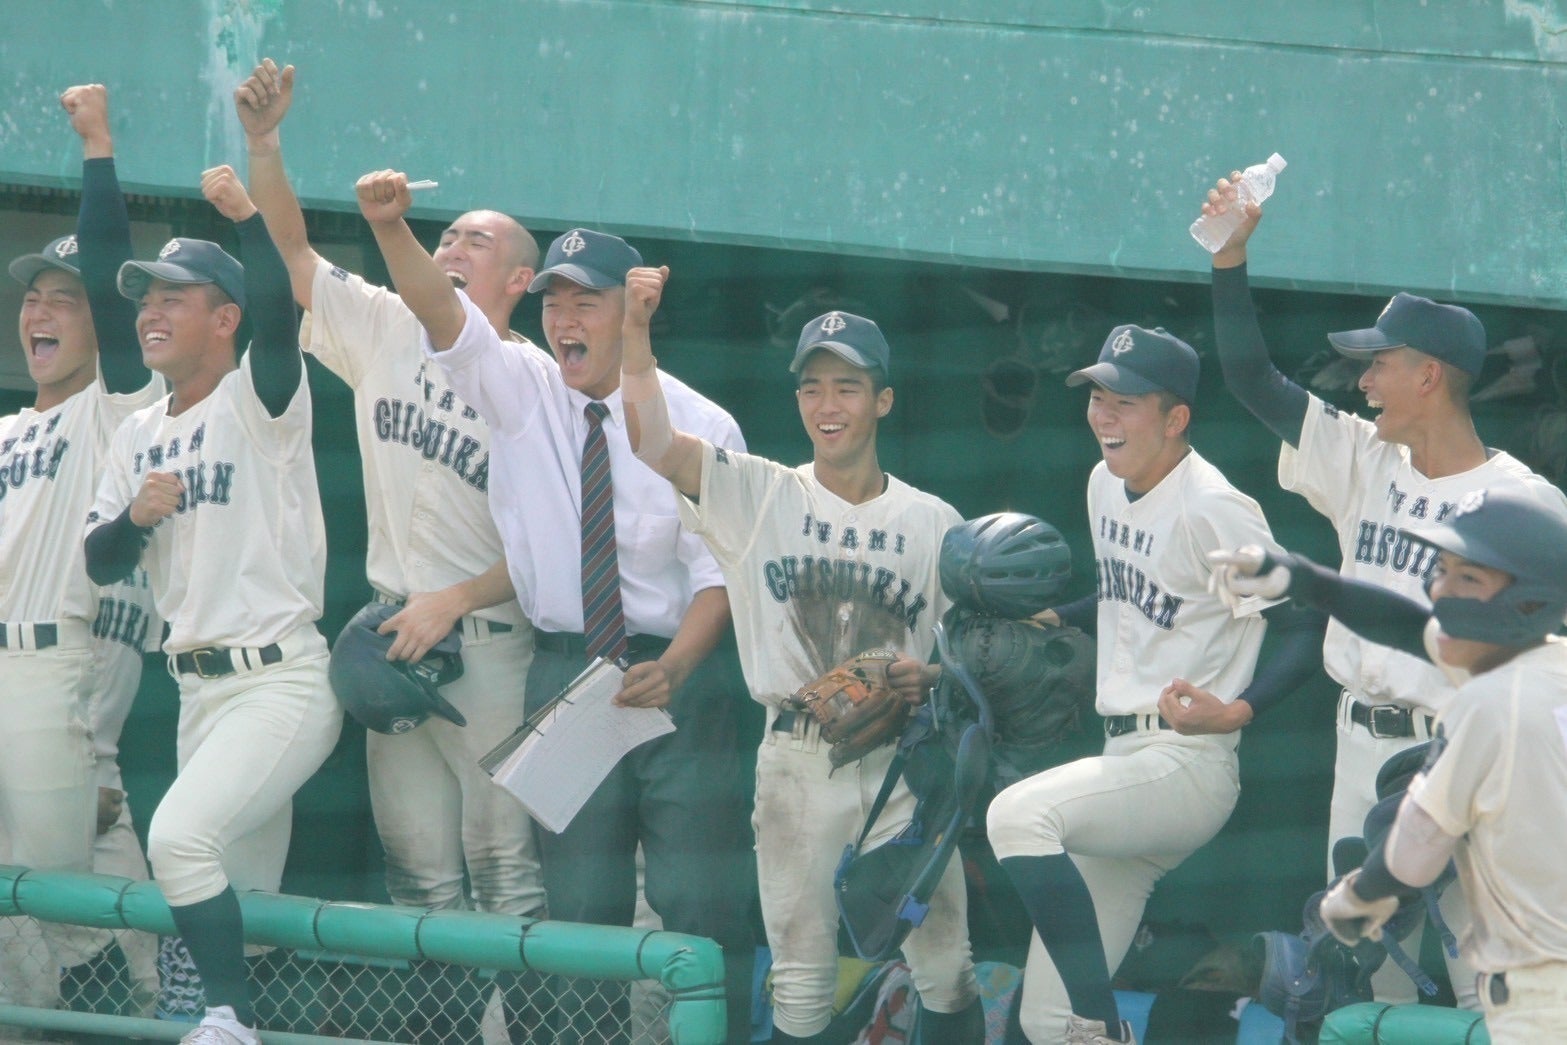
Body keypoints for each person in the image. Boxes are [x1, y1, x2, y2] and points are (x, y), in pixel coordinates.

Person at [356, 170, 755, 1043]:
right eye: (553, 302)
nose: (564, 320)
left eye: (587, 303)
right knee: (579, 907)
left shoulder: (702, 421)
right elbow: (443, 316)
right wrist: (393, 231)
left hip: (677, 668)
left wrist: (678, 665)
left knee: (695, 899)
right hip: (567, 667)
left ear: (631, 310)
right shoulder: (523, 388)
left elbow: (717, 572)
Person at [1198, 173, 1567, 1007]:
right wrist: (1231, 261)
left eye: (1380, 363)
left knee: (1494, 981)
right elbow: (1253, 380)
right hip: (1360, 747)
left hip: (1465, 755)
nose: (1361, 379)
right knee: (1359, 976)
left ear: (1430, 376)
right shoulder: (1365, 457)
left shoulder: (1524, 502)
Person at [234, 59, 546, 931]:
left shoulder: (535, 381)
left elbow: (559, 551)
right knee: (418, 881)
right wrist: (265, 144)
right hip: (394, 636)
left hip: (490, 646)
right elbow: (292, 255)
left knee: (506, 874)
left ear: (519, 280)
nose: (449, 250)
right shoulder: (385, 327)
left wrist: (455, 597)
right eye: (442, 239)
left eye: (473, 245)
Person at [620, 299, 984, 1043]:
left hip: (901, 765)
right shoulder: (758, 491)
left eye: (847, 387)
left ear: (882, 400)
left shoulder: (934, 521)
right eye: (813, 386)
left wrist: (930, 678)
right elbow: (652, 438)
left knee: (948, 967)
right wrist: (634, 330)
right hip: (796, 758)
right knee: (801, 981)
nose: (827, 404)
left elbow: (967, 660)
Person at [985, 325, 1324, 1044]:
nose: (1103, 414)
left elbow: (1305, 622)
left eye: (1126, 401)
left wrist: (1237, 708)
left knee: (1017, 816)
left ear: (1175, 419)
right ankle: (1084, 1026)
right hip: (1121, 766)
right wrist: (1055, 616)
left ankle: (1107, 1028)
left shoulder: (1213, 506)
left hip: (1185, 763)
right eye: (1098, 396)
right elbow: (1129, 596)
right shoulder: (1103, 482)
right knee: (1047, 1022)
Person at [83, 166, 343, 1045]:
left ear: (223, 317)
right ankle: (244, 1015)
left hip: (281, 680)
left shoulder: (260, 397)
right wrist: (132, 515)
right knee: (246, 906)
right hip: (199, 693)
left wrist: (248, 220)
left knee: (178, 841)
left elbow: (280, 316)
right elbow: (100, 558)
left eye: (173, 298)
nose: (149, 312)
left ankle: (226, 1021)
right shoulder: (135, 433)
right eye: (143, 298)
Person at [1211, 486, 1567, 1043]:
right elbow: (1408, 626)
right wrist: (1304, 580)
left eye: (1468, 579)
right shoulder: (1545, 663)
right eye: (1441, 569)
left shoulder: (1491, 703)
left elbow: (1414, 855)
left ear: (1529, 601)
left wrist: (1350, 910)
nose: (1440, 589)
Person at [0, 82, 165, 1010]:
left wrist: (97, 143)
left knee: (67, 911)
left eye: (66, 299)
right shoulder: (5, 429)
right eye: (35, 298)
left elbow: (110, 273)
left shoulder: (117, 411)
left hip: (59, 672)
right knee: (46, 913)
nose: (43, 312)